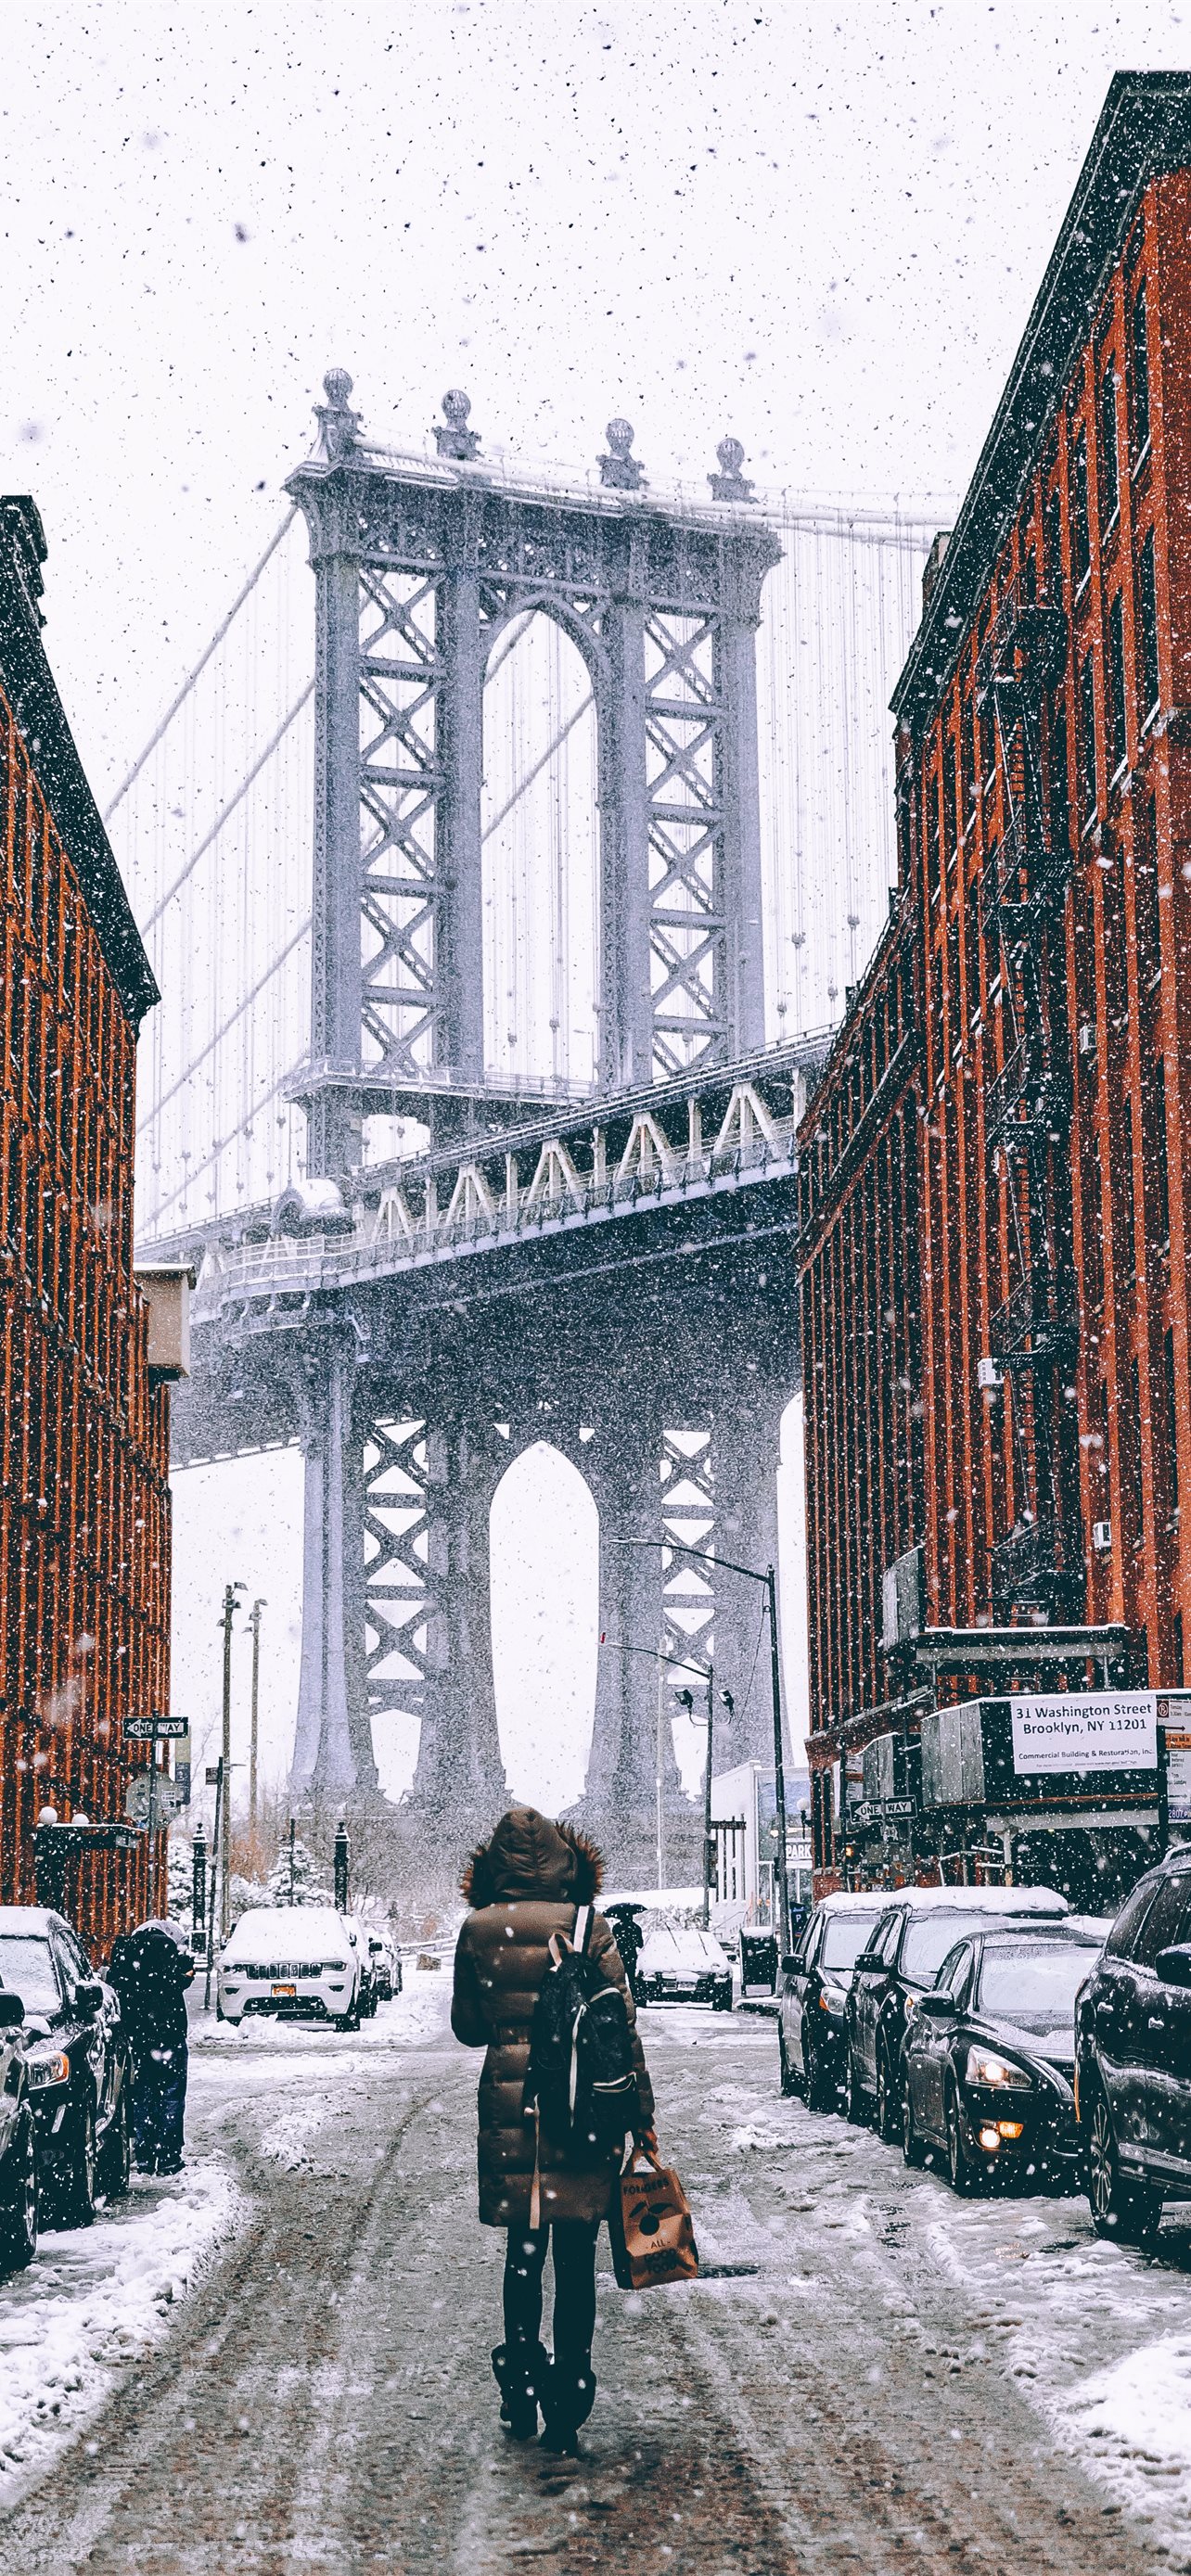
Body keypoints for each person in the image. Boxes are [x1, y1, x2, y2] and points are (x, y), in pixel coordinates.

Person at [452, 1805, 654, 2455]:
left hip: (515, 2110)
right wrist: (641, 2118)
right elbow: (621, 2031)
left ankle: (520, 2385)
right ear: (569, 1860)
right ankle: (569, 2393)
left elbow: (468, 2028)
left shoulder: (479, 1930)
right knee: (574, 2262)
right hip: (583, 2113)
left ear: (495, 1864)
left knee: (523, 2255)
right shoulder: (589, 1927)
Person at [108, 1918, 194, 2175]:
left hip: (138, 2035)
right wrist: (185, 1974)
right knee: (171, 2093)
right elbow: (168, 1986)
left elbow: (126, 1986)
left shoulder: (127, 1950)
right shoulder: (165, 1947)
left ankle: (144, 2154)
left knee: (143, 2092)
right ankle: (168, 2156)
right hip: (168, 2034)